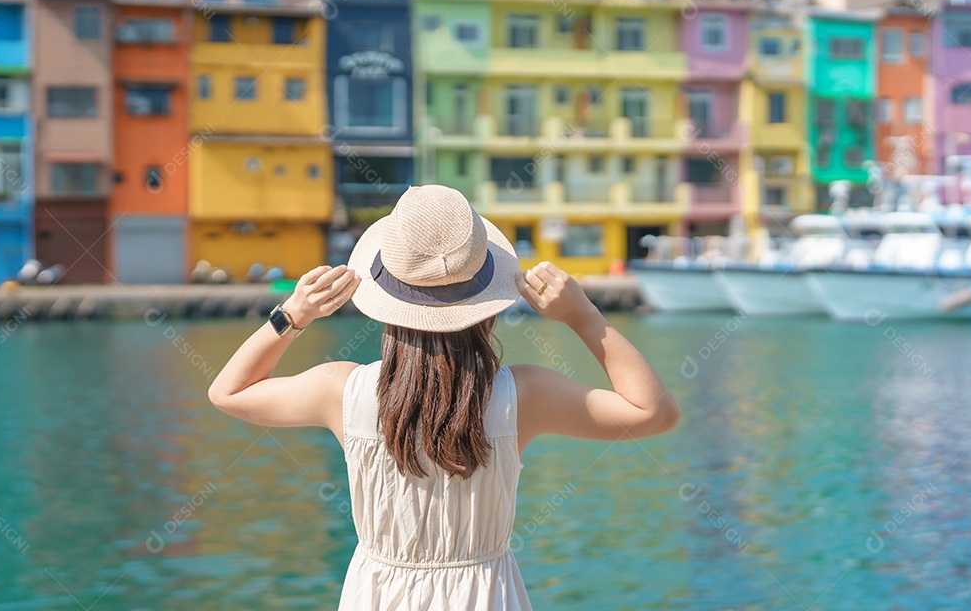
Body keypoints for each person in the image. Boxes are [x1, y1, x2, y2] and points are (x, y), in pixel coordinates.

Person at [209, 185, 681, 610]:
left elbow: (228, 392)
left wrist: (292, 314)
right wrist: (583, 317)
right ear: (487, 304)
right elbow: (655, 413)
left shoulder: (342, 391)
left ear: (386, 300)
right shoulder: (523, 395)